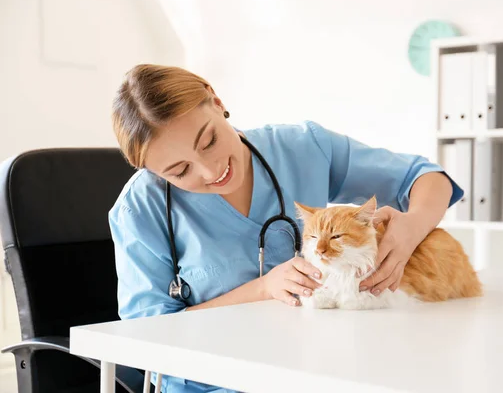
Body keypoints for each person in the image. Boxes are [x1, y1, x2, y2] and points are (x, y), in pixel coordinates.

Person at [108, 64, 463, 392]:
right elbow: (146, 339)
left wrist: (411, 229)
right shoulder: (140, 210)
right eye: (180, 171)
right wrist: (263, 288)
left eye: (210, 141)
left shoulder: (303, 148)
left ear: (216, 101)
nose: (210, 170)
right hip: (214, 385)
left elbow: (425, 177)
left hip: (317, 369)